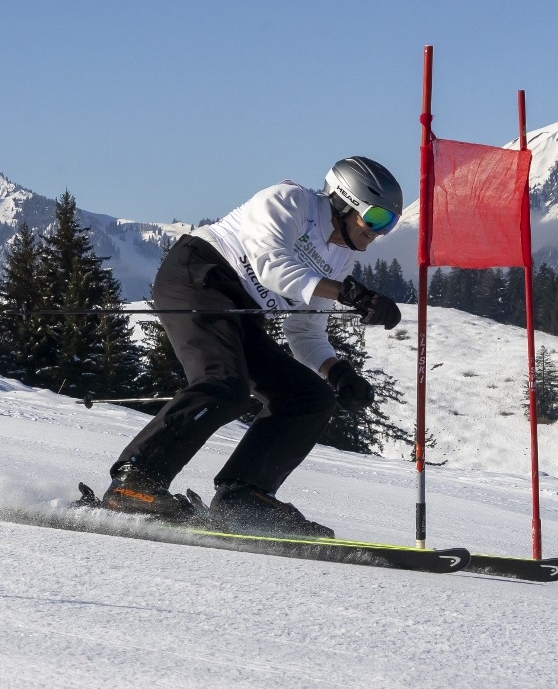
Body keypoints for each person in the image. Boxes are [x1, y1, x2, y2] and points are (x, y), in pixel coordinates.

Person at [101, 156, 404, 538]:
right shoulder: (291, 201)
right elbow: (272, 267)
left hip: (242, 312)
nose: (381, 232)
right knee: (225, 384)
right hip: (198, 277)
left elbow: (305, 331)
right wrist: (349, 294)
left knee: (309, 398)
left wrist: (339, 373)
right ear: (347, 201)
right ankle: (135, 482)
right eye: (377, 218)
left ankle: (243, 496)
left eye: (391, 223)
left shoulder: (339, 260)